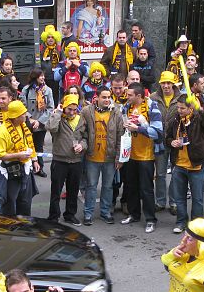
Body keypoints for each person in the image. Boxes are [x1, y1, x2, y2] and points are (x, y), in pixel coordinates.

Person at [166, 98, 204, 233]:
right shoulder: (175, 119)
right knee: (179, 197)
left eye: (182, 108)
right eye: (178, 108)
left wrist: (200, 109)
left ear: (190, 108)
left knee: (198, 198)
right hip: (179, 165)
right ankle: (181, 222)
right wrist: (172, 142)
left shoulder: (199, 118)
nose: (179, 111)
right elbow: (167, 137)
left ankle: (196, 225)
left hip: (196, 166)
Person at [121, 83, 163, 234]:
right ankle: (134, 214)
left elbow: (158, 132)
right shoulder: (126, 107)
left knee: (146, 189)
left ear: (139, 96)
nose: (127, 97)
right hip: (130, 154)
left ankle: (151, 220)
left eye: (130, 95)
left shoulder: (152, 107)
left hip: (146, 156)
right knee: (131, 187)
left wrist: (138, 128)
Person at [81, 86, 124, 225]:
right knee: (91, 186)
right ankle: (88, 213)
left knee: (108, 187)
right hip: (92, 157)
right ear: (97, 97)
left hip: (109, 158)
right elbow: (82, 132)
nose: (106, 100)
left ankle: (105, 212)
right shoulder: (87, 111)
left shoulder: (116, 113)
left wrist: (118, 158)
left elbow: (120, 136)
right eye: (103, 97)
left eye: (108, 97)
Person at [47, 94, 88, 225]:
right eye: (69, 109)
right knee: (56, 191)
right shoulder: (58, 117)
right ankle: (54, 216)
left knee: (73, 190)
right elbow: (51, 128)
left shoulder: (81, 119)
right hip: (60, 160)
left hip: (76, 161)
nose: (71, 112)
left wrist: (82, 145)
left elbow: (85, 138)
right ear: (63, 107)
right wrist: (58, 112)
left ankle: (70, 215)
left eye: (74, 110)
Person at [0, 100, 39, 217]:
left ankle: (25, 227)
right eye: (23, 114)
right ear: (16, 117)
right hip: (9, 174)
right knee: (9, 204)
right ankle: (8, 229)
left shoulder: (23, 126)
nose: (26, 115)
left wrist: (34, 160)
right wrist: (19, 156)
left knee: (25, 203)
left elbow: (30, 144)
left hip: (25, 169)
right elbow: (0, 155)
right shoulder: (2, 132)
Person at [151, 71, 181, 213]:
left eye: (169, 83)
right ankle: (160, 201)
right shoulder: (153, 98)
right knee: (160, 174)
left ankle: (174, 203)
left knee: (176, 173)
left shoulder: (181, 98)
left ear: (173, 84)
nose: (166, 86)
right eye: (164, 83)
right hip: (159, 142)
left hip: (176, 142)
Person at [21, 68, 55, 176]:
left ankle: (39, 168)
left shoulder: (48, 90)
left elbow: (50, 108)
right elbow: (22, 107)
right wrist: (30, 119)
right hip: (28, 123)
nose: (43, 78)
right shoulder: (26, 90)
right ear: (35, 77)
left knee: (39, 146)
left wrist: (39, 122)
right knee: (28, 145)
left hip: (41, 124)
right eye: (40, 76)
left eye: (43, 76)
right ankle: (29, 166)